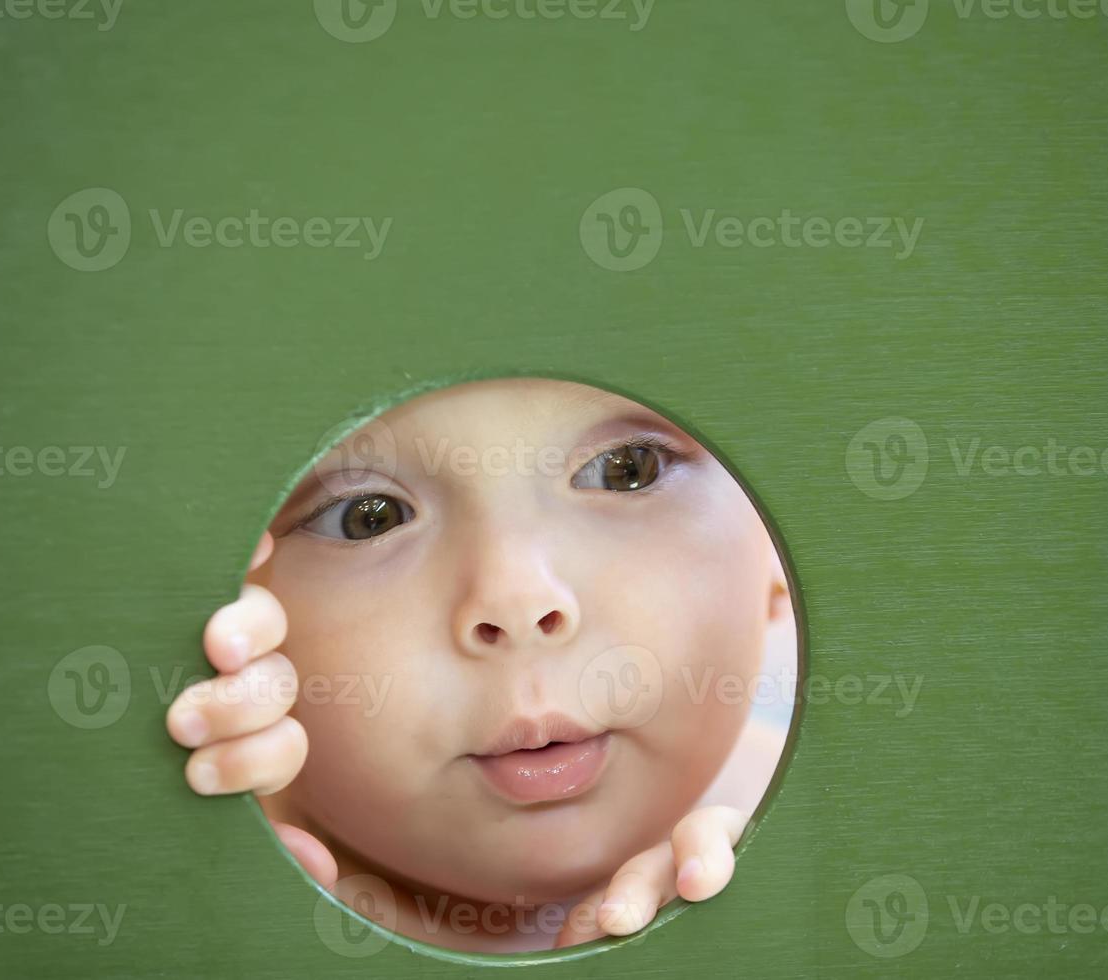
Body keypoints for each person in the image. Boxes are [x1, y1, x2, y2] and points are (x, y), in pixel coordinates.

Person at [163, 378, 795, 952]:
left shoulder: (837, 840)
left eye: (624, 470)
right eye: (366, 518)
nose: (519, 601)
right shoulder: (188, 899)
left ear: (780, 544)